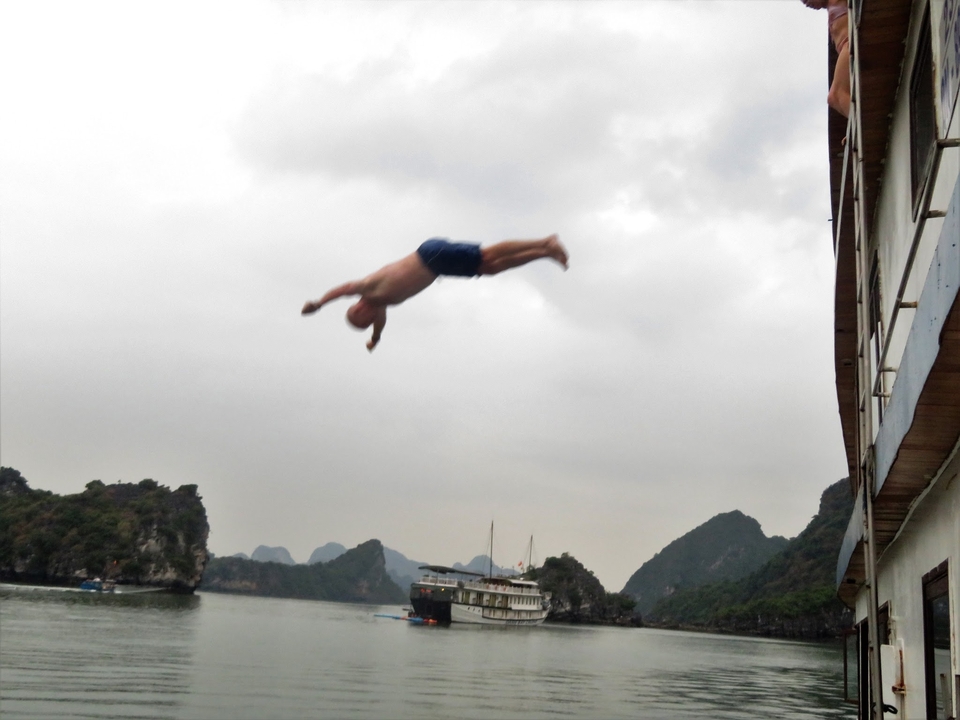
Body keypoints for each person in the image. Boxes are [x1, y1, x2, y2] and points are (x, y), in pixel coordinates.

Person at [302, 234, 568, 351]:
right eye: (368, 321)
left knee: (486, 255)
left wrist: (320, 303)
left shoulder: (369, 288)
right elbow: (380, 325)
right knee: (489, 268)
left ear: (360, 308)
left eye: (363, 316)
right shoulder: (383, 305)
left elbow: (344, 289)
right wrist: (375, 340)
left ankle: (544, 242)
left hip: (430, 254)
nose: (369, 317)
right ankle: (544, 252)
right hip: (438, 267)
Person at [803, 0, 851, 118]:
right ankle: (857, 121)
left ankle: (863, 124)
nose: (806, 3)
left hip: (850, 44)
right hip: (846, 52)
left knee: (835, 95)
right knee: (835, 98)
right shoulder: (831, 7)